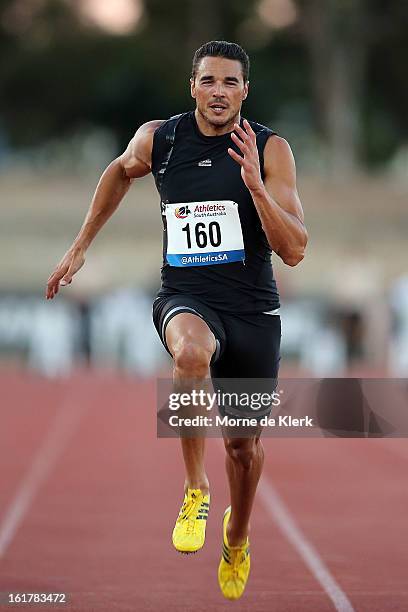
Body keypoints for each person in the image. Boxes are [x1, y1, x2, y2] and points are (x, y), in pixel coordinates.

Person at [46, 40, 307, 600]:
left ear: (245, 91)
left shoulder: (270, 149)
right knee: (190, 355)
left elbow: (295, 249)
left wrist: (256, 187)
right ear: (192, 86)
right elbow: (119, 172)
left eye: (230, 83)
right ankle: (195, 489)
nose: (218, 92)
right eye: (208, 81)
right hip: (186, 296)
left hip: (253, 311)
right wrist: (80, 246)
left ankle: (237, 536)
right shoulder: (160, 139)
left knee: (245, 447)